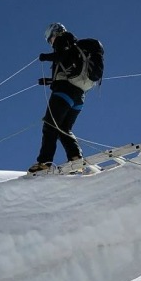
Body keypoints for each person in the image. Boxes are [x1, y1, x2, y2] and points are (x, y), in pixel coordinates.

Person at [28, 23, 88, 174]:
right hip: (79, 95)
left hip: (64, 93)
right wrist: (49, 81)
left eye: (50, 39)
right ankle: (75, 158)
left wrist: (45, 57)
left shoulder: (62, 39)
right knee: (63, 128)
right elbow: (67, 68)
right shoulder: (74, 45)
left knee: (50, 125)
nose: (51, 43)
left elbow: (62, 56)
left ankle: (44, 163)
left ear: (54, 34)